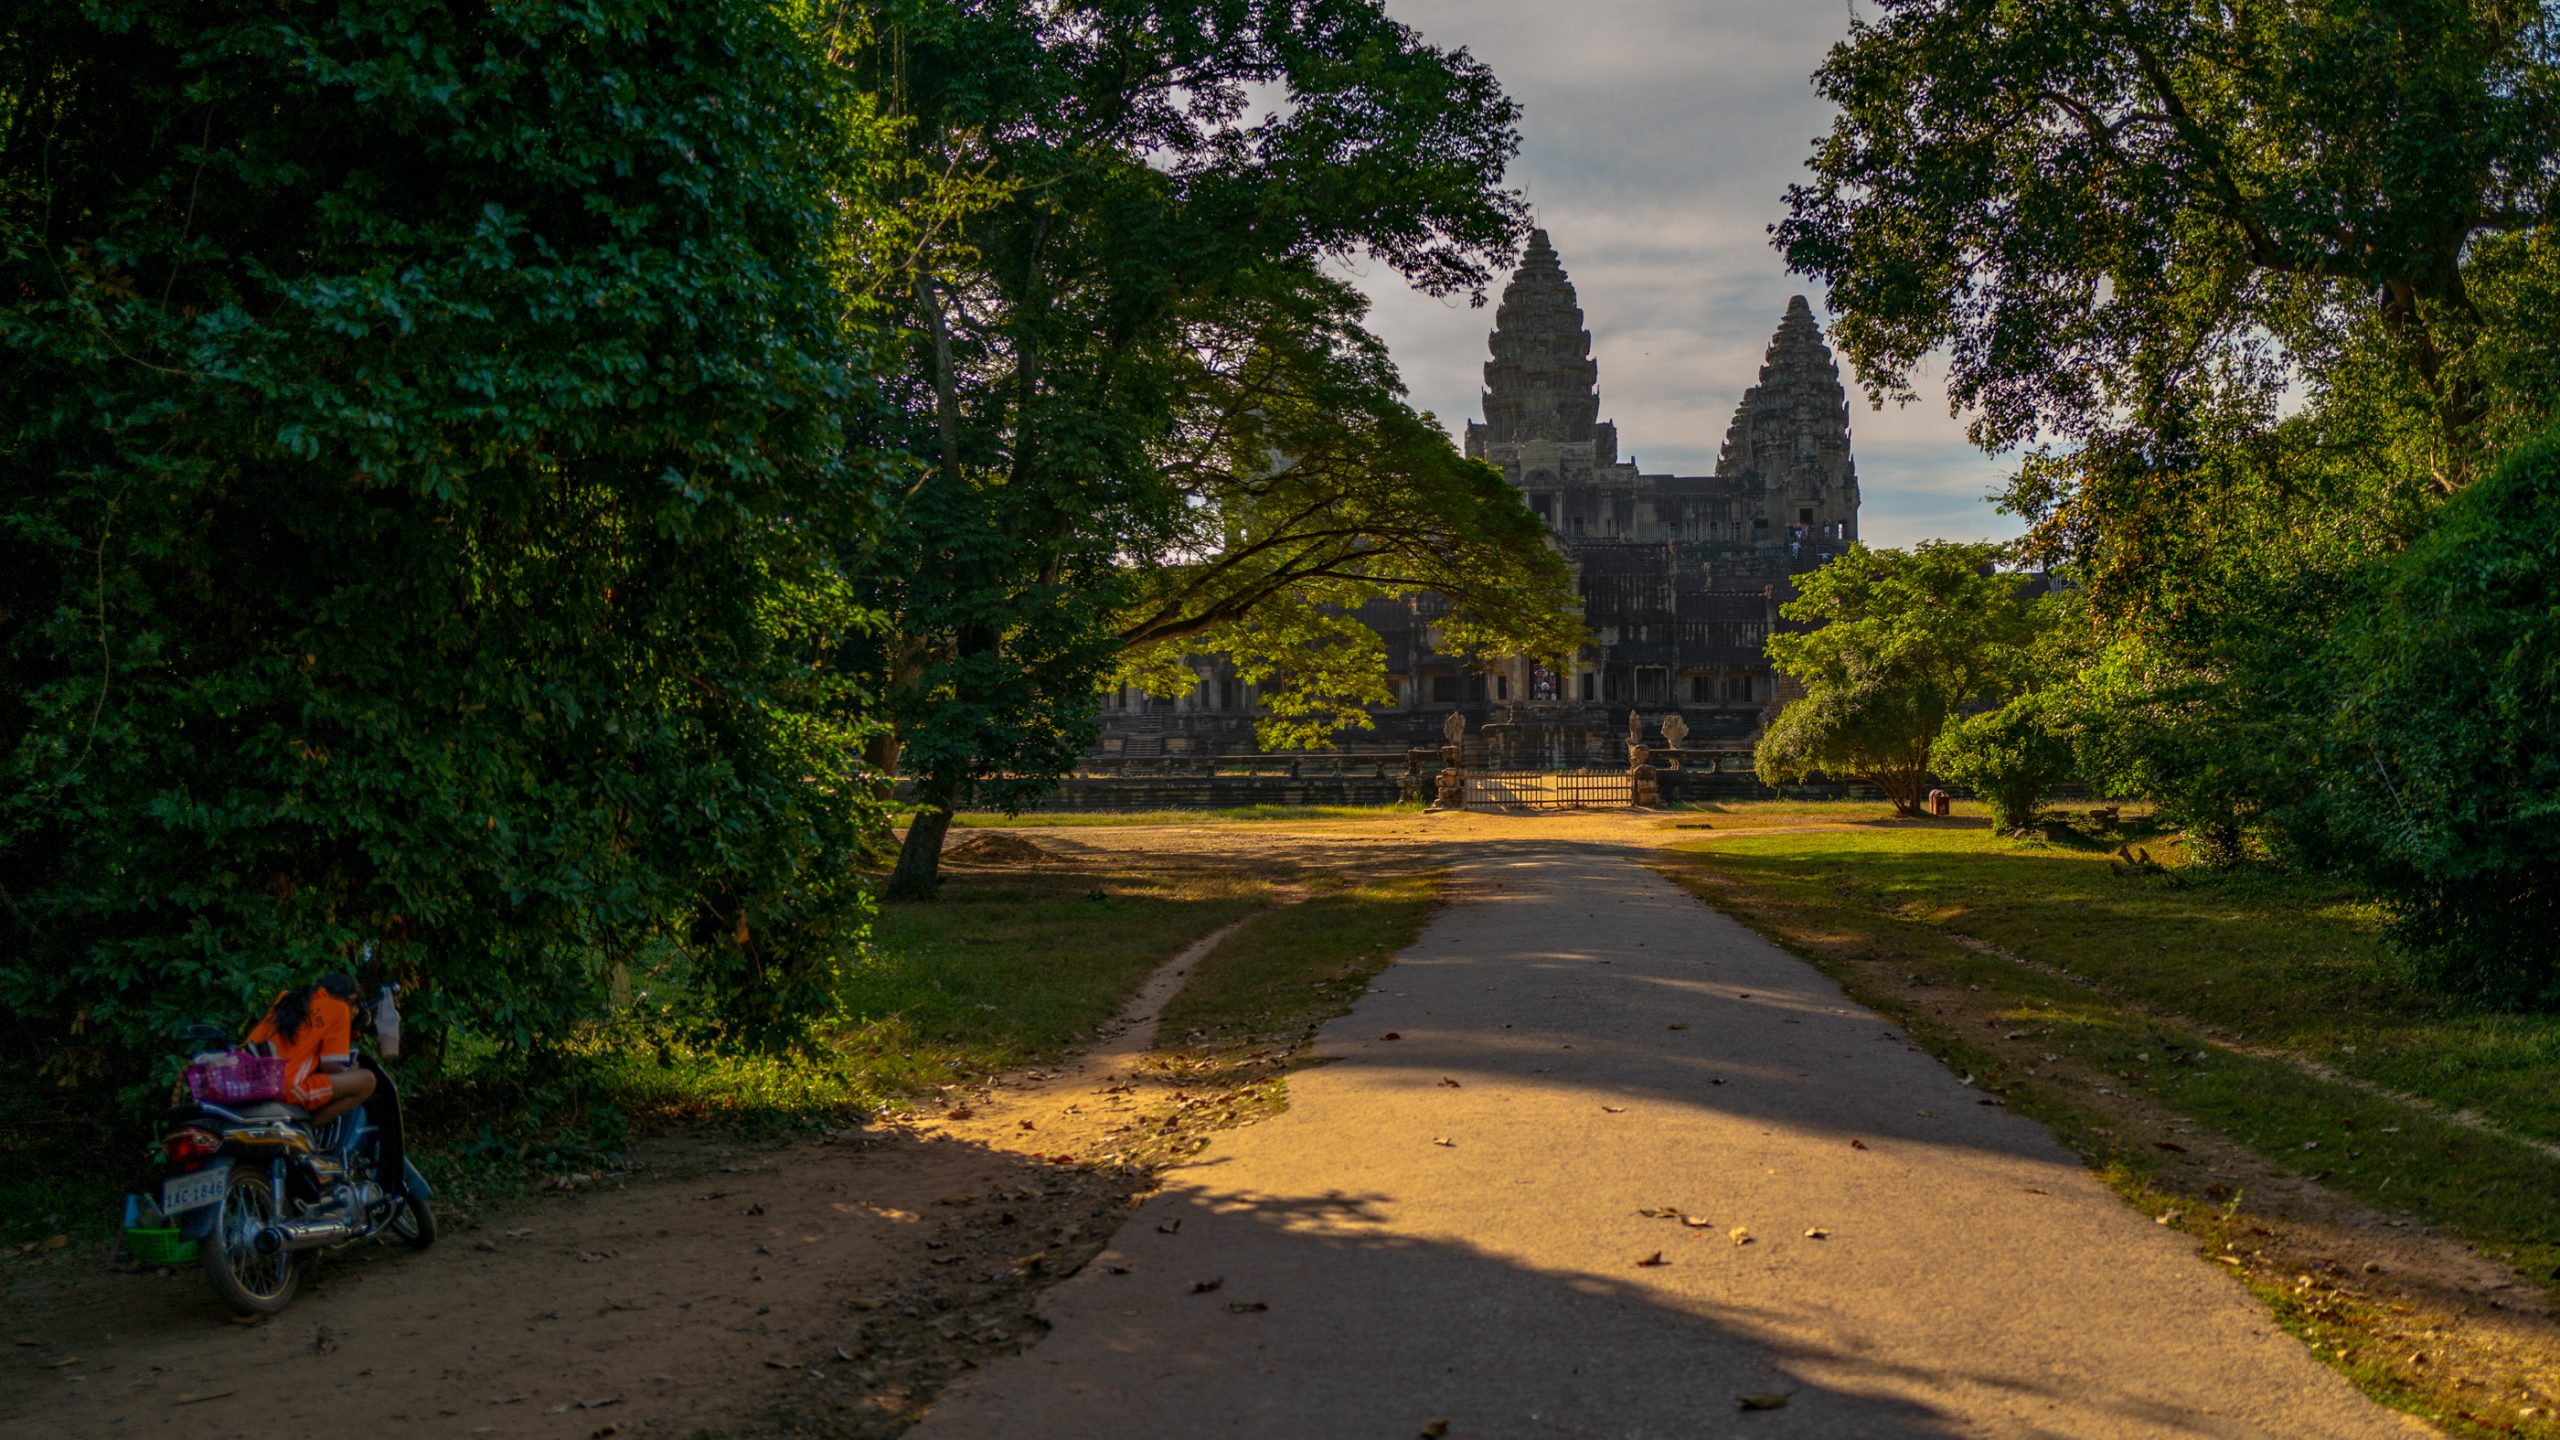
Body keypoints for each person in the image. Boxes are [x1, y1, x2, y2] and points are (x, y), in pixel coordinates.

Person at [245, 973, 376, 1124]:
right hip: (285, 1087)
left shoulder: (288, 998)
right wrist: (350, 1073)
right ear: (352, 999)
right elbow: (331, 1067)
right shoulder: (340, 1009)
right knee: (367, 1081)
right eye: (356, 1009)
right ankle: (310, 1128)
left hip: (252, 1077)